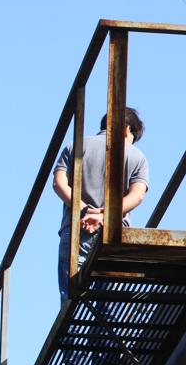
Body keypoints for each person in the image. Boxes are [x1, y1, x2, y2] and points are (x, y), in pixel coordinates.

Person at [52, 107, 150, 301]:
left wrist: (86, 210)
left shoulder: (76, 146)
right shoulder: (137, 157)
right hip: (114, 233)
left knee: (71, 301)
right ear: (126, 130)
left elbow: (58, 183)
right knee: (108, 302)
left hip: (76, 229)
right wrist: (104, 215)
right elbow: (137, 196)